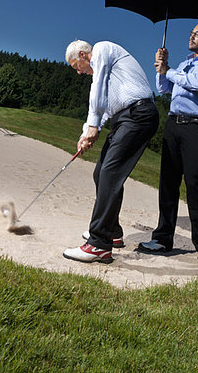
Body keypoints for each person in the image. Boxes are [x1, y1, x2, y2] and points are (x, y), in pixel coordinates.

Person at [138, 19, 198, 268]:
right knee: (167, 183)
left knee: (195, 184)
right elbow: (165, 89)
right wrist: (161, 67)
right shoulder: (184, 63)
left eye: (197, 34)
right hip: (173, 124)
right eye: (191, 33)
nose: (191, 37)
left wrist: (168, 70)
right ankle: (162, 238)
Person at [63, 40, 159, 264]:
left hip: (139, 114)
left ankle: (98, 244)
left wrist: (94, 127)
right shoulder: (106, 73)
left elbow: (96, 91)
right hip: (125, 118)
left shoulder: (103, 49)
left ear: (83, 54)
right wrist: (85, 134)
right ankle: (112, 232)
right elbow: (104, 107)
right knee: (101, 174)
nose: (78, 72)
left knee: (110, 173)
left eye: (76, 65)